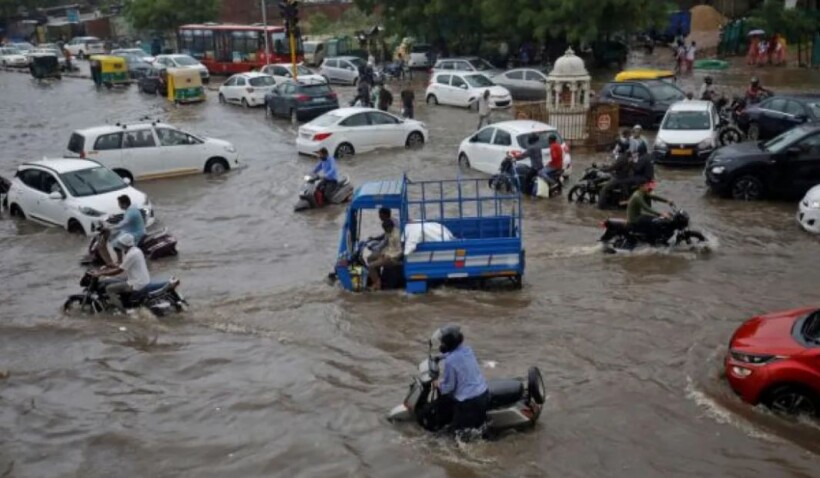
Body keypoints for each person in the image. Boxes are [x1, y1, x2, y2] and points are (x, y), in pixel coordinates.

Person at [433, 325, 489, 440]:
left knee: (457, 437)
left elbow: (449, 387)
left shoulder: (450, 362)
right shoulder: (468, 350)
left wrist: (438, 384)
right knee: (477, 431)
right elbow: (455, 355)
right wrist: (439, 357)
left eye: (442, 343)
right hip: (483, 394)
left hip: (468, 403)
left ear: (447, 344)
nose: (441, 345)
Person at [91, 233, 150, 313]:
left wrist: (101, 273)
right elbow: (122, 265)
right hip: (141, 278)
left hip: (137, 283)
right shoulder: (136, 250)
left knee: (109, 289)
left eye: (120, 244)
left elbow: (119, 271)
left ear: (124, 245)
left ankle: (122, 311)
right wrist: (109, 267)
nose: (119, 245)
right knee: (117, 280)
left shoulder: (130, 255)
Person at [97, 195, 145, 266]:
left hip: (136, 233)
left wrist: (110, 227)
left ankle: (120, 262)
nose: (118, 205)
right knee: (114, 236)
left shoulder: (131, 212)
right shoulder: (130, 209)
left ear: (124, 204)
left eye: (119, 204)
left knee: (115, 244)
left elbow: (124, 223)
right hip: (130, 230)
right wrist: (112, 222)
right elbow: (123, 221)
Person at [367, 219, 402, 290]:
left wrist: (389, 256)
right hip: (387, 253)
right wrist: (379, 250)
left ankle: (377, 285)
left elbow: (400, 251)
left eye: (385, 229)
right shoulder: (389, 232)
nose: (385, 231)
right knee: (370, 258)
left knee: (370, 266)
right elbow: (386, 243)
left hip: (393, 259)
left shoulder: (397, 236)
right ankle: (377, 277)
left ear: (390, 227)